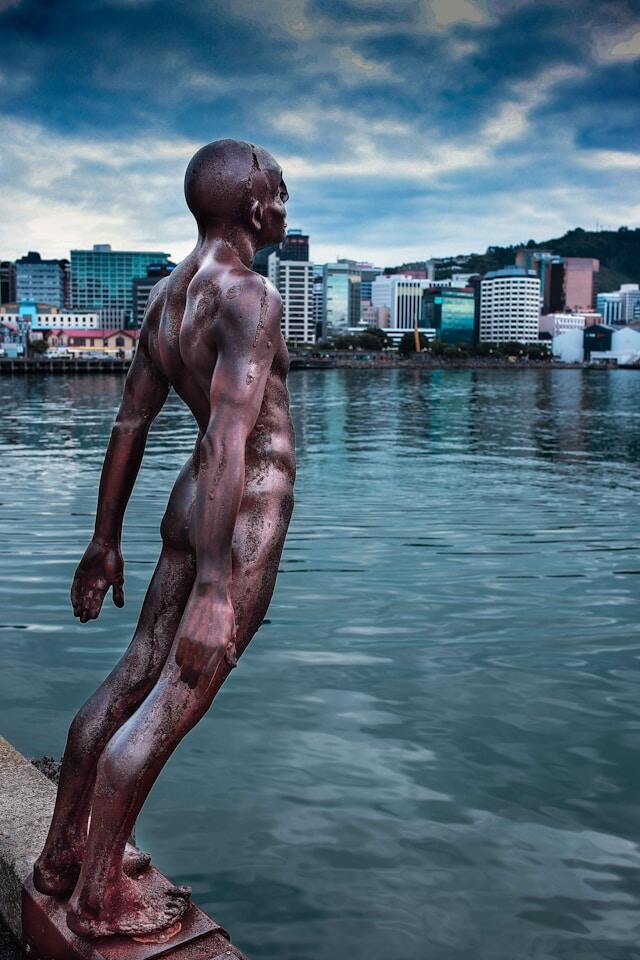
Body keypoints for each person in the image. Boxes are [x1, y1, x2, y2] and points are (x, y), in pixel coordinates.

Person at [32, 139, 296, 939]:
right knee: (174, 698)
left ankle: (64, 855)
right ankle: (101, 895)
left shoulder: (166, 300)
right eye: (281, 192)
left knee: (135, 672)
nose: (287, 205)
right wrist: (217, 589)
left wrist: (103, 541)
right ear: (255, 206)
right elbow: (227, 441)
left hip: (190, 506)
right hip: (239, 508)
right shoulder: (250, 297)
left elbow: (130, 423)